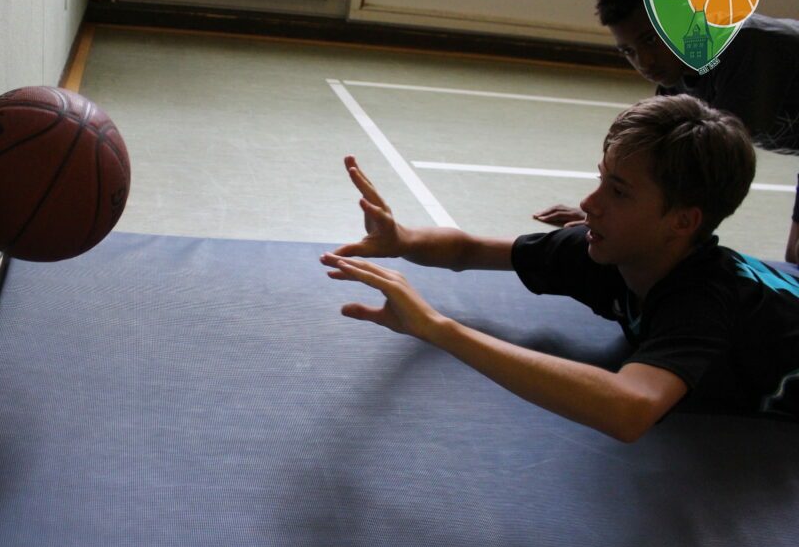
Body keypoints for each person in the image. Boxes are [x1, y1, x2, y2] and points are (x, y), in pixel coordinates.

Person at [322, 95, 799, 442]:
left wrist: (437, 328)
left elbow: (630, 409)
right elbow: (469, 250)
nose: (589, 203)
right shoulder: (603, 249)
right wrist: (402, 240)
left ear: (682, 221)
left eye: (619, 191)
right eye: (601, 179)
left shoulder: (702, 300)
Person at [533, 0, 799, 264]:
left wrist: (615, 219)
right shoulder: (676, 71)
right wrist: (603, 211)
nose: (644, 61)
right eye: (628, 51)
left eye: (650, 39)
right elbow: (651, 160)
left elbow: (710, 172)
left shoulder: (747, 47)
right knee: (794, 261)